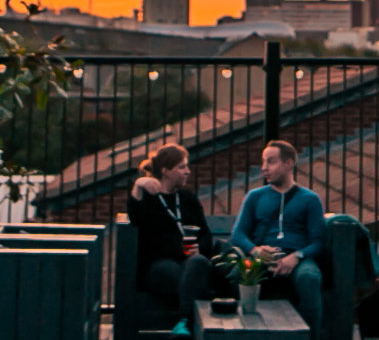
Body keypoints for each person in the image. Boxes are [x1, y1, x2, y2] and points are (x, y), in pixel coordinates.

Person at [229, 140, 329, 328]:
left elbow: (317, 242)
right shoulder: (255, 196)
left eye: (271, 161)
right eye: (263, 162)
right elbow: (238, 234)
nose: (264, 168)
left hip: (297, 256)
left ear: (288, 163)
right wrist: (255, 251)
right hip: (262, 256)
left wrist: (296, 257)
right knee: (237, 275)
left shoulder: (309, 199)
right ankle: (244, 333)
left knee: (309, 278)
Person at [128, 143, 225, 312]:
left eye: (187, 166)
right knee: (178, 273)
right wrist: (139, 184)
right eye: (182, 167)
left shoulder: (188, 198)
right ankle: (194, 316)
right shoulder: (150, 199)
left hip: (191, 262)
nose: (187, 171)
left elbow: (205, 234)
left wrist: (199, 248)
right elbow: (134, 214)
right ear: (165, 171)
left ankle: (184, 322)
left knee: (197, 263)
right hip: (161, 265)